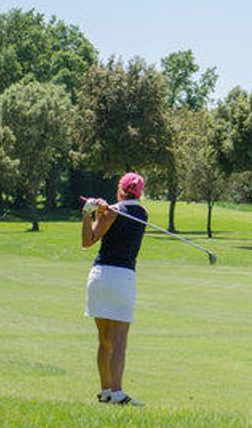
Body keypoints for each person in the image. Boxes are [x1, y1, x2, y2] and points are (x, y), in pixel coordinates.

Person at [81, 172, 148, 406]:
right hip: (123, 278)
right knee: (119, 339)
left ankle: (106, 392)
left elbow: (87, 241)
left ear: (120, 189)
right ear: (139, 193)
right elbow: (115, 216)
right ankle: (117, 393)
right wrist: (102, 211)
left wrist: (88, 214)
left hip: (99, 276)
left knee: (104, 339)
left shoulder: (111, 211)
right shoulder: (142, 213)